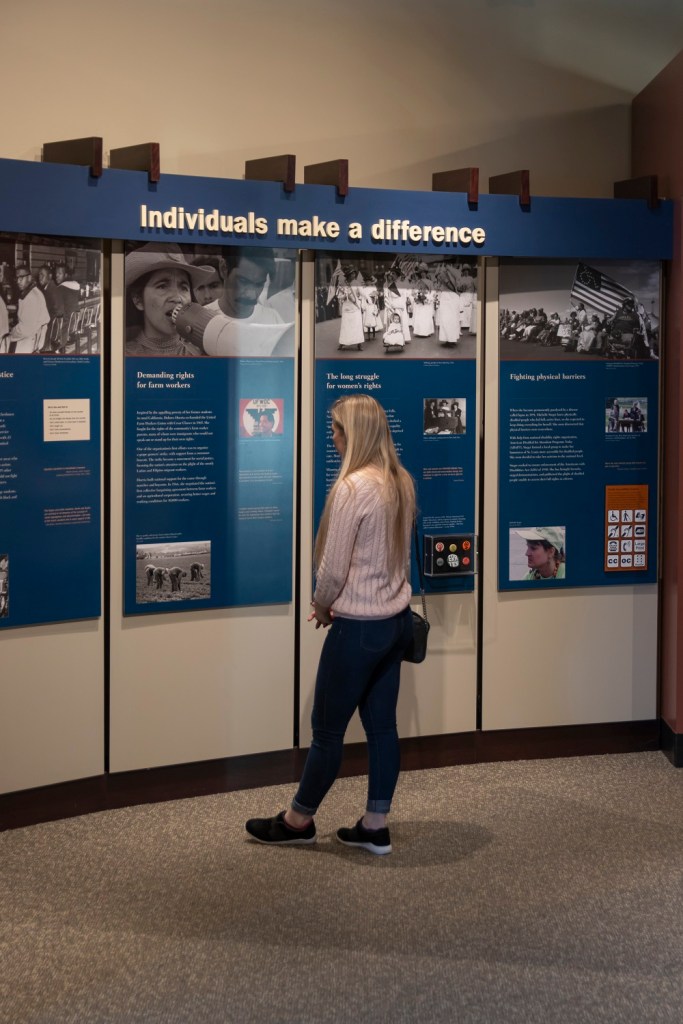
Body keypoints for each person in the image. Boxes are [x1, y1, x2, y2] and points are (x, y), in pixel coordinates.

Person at [246, 394, 416, 855]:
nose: (332, 436)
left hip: (358, 628)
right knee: (382, 729)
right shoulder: (400, 481)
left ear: (355, 433)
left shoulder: (352, 488)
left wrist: (322, 607)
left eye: (337, 429)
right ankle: (375, 825)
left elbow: (334, 570)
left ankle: (298, 820)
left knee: (326, 731)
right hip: (394, 624)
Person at [125, 244, 214, 356]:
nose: (177, 298)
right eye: (162, 286)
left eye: (184, 288)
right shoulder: (123, 355)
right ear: (138, 300)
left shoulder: (204, 353)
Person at [5, 265, 50, 354]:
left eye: (21, 278)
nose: (18, 281)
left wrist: (11, 332)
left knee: (3, 339)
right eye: (17, 278)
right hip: (35, 338)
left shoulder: (30, 297)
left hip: (28, 342)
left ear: (29, 278)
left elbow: (24, 330)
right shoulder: (35, 291)